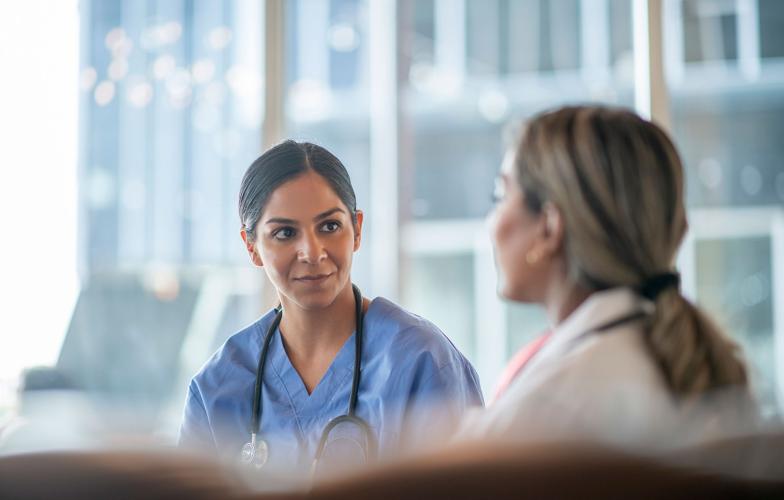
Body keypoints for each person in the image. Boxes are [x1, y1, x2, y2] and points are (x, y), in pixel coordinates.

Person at [179, 140, 482, 476]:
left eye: (329, 226)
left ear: (357, 230)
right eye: (285, 233)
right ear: (251, 247)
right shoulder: (217, 387)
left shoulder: (421, 363)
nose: (312, 252)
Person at [461, 105, 755, 448]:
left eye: (501, 196)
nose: (490, 224)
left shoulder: (552, 405)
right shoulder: (679, 360)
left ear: (549, 228)